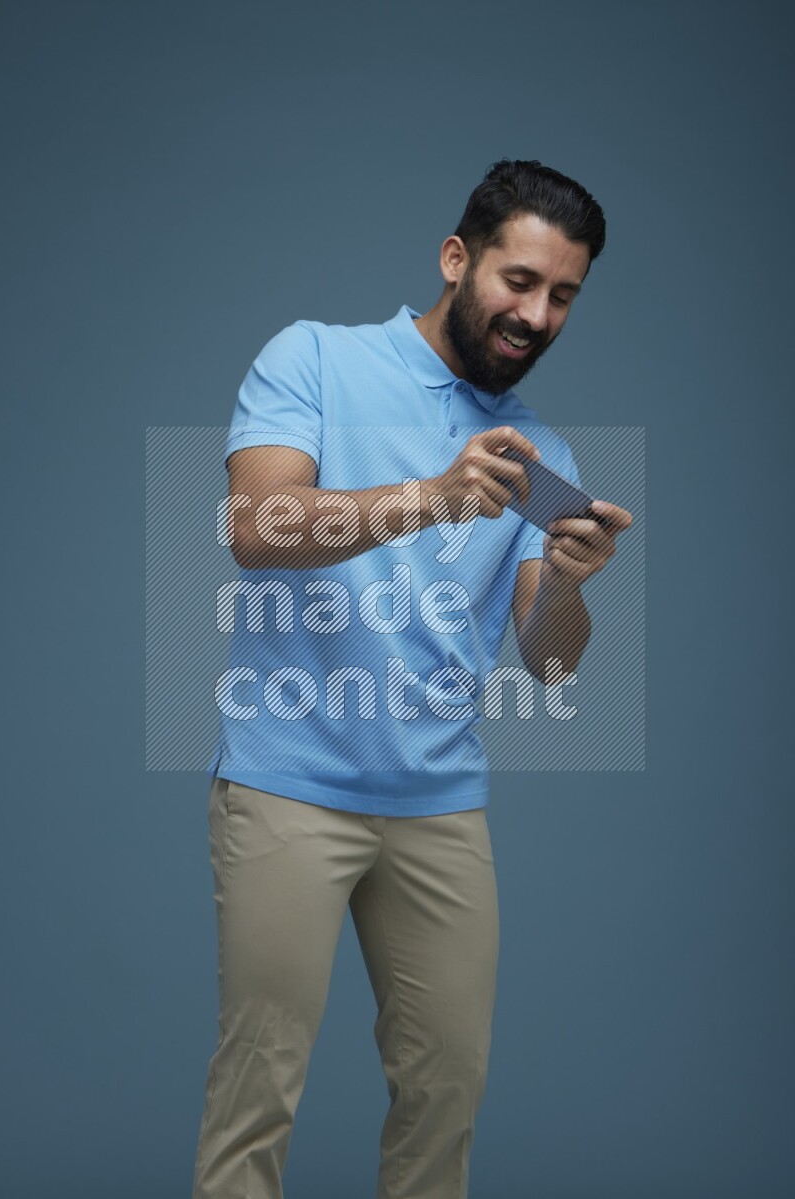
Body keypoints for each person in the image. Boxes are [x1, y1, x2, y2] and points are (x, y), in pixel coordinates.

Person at [192, 158, 632, 1199]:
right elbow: (256, 527)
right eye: (517, 280)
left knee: (446, 1091)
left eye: (561, 294)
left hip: (439, 802)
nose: (535, 313)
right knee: (260, 1087)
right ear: (456, 258)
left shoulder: (540, 452)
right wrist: (430, 499)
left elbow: (551, 663)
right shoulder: (312, 358)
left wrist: (569, 585)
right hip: (286, 781)